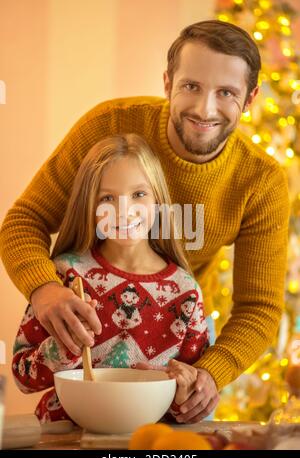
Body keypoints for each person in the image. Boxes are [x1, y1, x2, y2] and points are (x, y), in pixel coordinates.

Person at [1, 20, 289, 423]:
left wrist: (209, 373)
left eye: (226, 92)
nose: (205, 109)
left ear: (250, 98)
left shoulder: (261, 182)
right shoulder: (110, 126)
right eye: (191, 86)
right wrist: (45, 288)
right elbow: (23, 220)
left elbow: (259, 307)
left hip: (170, 332)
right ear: (168, 82)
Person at [12, 134, 210, 423]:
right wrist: (65, 346)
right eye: (107, 198)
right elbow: (22, 378)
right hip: (63, 439)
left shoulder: (185, 293)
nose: (124, 211)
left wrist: (183, 392)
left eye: (139, 194)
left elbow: (188, 406)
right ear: (89, 206)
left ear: (158, 199)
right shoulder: (63, 276)